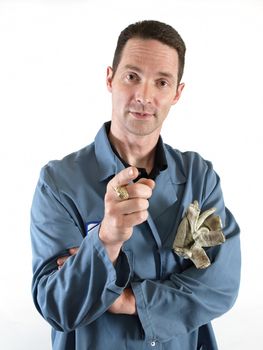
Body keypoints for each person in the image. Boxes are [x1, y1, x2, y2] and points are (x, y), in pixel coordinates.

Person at [30, 20, 241, 350]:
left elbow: (218, 283)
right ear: (110, 78)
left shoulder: (197, 180)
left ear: (176, 93)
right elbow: (58, 308)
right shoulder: (59, 184)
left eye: (161, 82)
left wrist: (131, 300)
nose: (144, 95)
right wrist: (106, 238)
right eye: (132, 77)